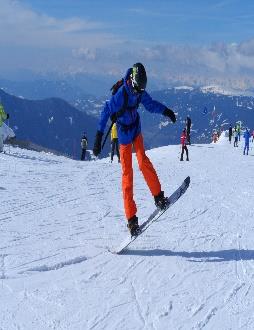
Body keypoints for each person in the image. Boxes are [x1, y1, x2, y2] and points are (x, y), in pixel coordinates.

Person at [93, 63, 176, 236]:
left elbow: (150, 104)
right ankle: (131, 220)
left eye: (142, 89)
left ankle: (158, 197)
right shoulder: (121, 95)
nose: (140, 92)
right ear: (132, 81)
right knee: (127, 174)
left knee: (143, 161)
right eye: (138, 89)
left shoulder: (139, 90)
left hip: (136, 130)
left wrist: (166, 111)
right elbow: (105, 112)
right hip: (123, 135)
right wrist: (99, 136)